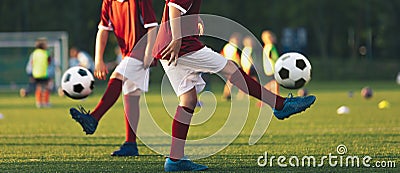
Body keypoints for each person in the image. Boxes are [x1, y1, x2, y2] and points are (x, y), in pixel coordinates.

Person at [152, 0, 316, 171]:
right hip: (180, 45)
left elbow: (179, 6)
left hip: (166, 46)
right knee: (231, 69)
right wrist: (177, 39)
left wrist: (195, 18)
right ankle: (280, 105)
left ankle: (175, 160)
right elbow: (174, 8)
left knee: (188, 100)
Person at [69, 0, 158, 157]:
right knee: (131, 97)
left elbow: (152, 26)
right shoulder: (108, 2)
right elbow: (103, 31)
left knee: (117, 76)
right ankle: (131, 144)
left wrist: (149, 53)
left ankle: (94, 118)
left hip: (140, 50)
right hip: (127, 54)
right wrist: (98, 60)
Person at [30, 37, 52, 108]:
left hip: (36, 73)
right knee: (46, 88)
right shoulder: (46, 53)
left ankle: (38, 102)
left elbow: (32, 62)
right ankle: (45, 102)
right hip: (44, 73)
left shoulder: (34, 53)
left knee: (38, 88)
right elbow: (49, 62)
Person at [221, 33, 241, 100]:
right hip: (232, 64)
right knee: (231, 80)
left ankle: (227, 94)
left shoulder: (226, 46)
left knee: (230, 80)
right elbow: (236, 57)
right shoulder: (234, 47)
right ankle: (226, 94)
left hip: (226, 64)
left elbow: (222, 54)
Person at [261, 30, 280, 95]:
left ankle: (263, 93)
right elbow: (270, 55)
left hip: (268, 68)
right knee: (276, 82)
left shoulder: (265, 46)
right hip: (273, 67)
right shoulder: (271, 46)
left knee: (273, 82)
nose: (274, 38)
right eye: (272, 37)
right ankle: (277, 94)